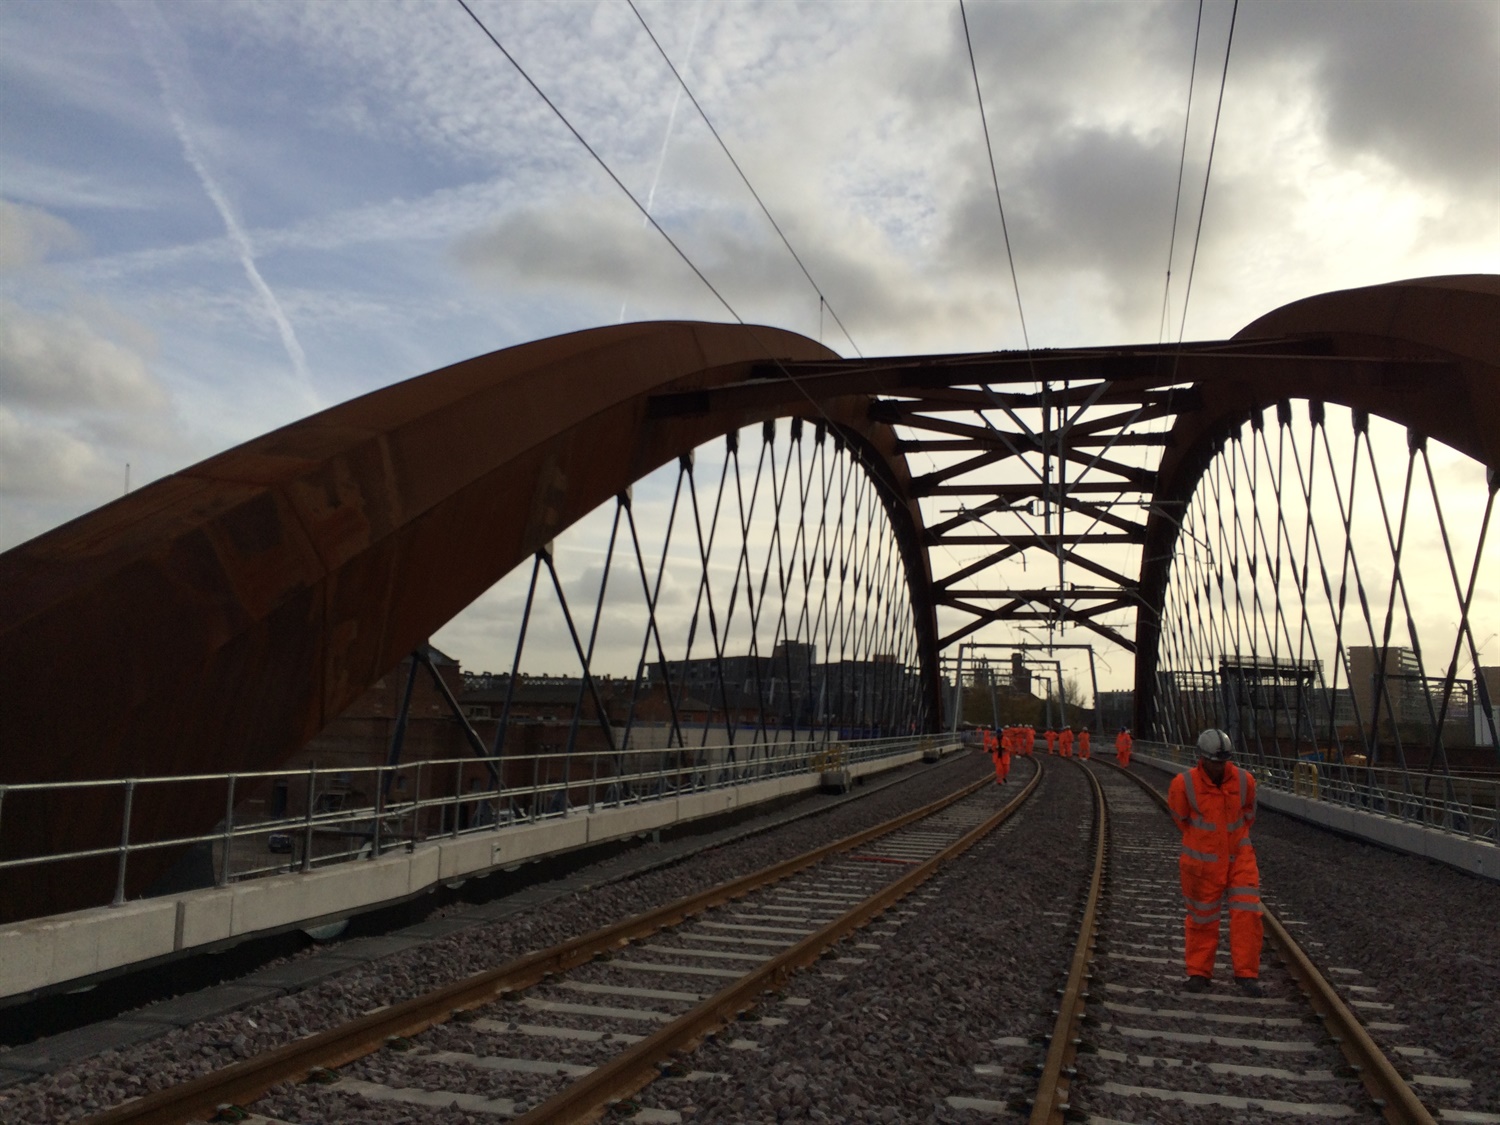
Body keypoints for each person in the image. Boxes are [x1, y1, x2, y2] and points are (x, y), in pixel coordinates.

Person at [1167, 729, 1264, 996]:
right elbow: (1179, 817)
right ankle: (1199, 973)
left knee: (1247, 914)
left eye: (1223, 761)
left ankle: (1246, 974)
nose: (1219, 766)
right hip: (1202, 862)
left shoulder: (1245, 781)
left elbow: (1248, 814)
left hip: (1239, 858)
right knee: (1201, 917)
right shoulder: (1183, 784)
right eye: (1215, 761)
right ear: (1201, 758)